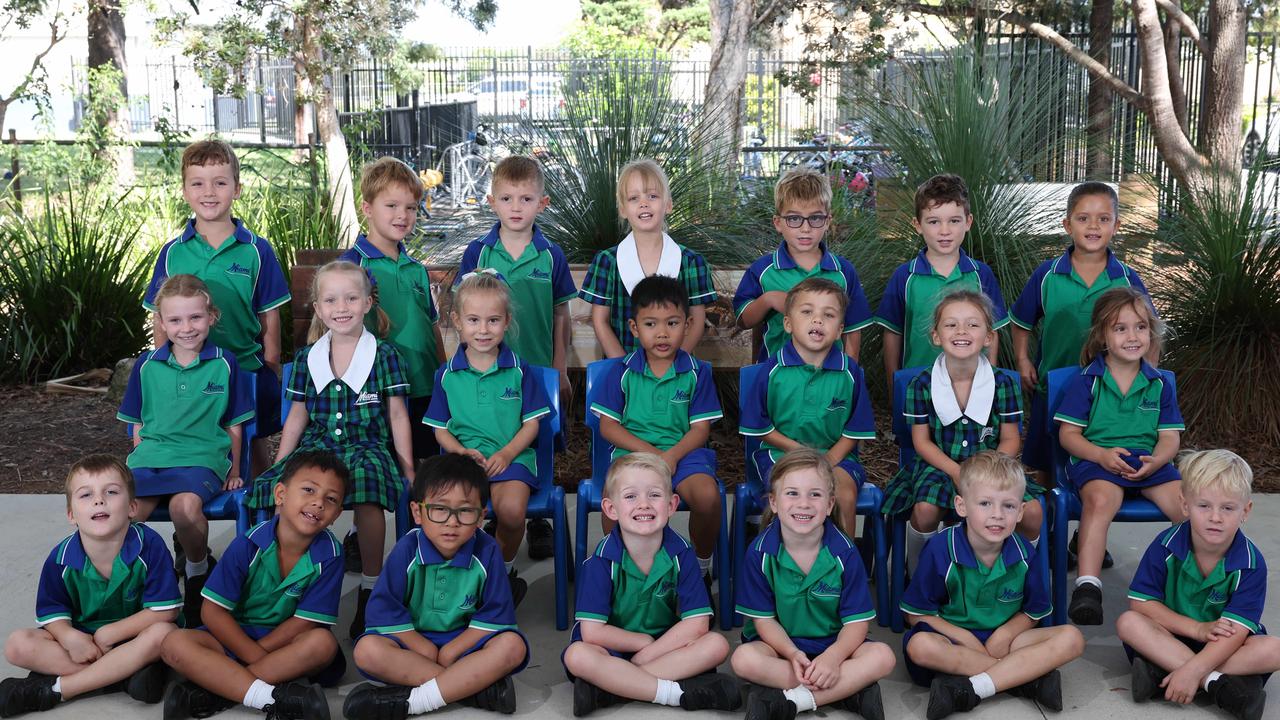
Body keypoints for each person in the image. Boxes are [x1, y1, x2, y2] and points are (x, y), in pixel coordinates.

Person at [244, 260, 415, 640]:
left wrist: (408, 468)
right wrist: (282, 462)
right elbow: (297, 417)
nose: (342, 307)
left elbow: (398, 415)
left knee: (369, 491)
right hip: (317, 448)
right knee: (284, 491)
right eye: (332, 300)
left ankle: (371, 587)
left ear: (368, 303)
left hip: (367, 446)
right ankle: (287, 580)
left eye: (352, 298)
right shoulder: (307, 360)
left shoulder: (384, 356)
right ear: (318, 309)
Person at [159, 451, 350, 720]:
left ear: (337, 514)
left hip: (285, 645)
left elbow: (305, 622)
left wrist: (256, 656)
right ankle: (271, 698)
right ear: (280, 495)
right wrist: (251, 653)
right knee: (174, 643)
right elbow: (212, 612)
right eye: (308, 490)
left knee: (322, 643)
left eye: (330, 499)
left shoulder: (330, 554)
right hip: (231, 636)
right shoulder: (248, 544)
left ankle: (216, 690)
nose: (318, 503)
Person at [454, 154, 577, 562]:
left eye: (526, 199)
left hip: (537, 369)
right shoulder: (478, 252)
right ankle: (497, 506)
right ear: (492, 202)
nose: (516, 208)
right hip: (488, 368)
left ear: (541, 204)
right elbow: (464, 311)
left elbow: (562, 314)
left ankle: (536, 518)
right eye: (507, 199)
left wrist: (559, 368)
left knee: (540, 440)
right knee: (494, 432)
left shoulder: (550, 254)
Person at [144, 139, 290, 479]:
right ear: (184, 191)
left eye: (220, 183)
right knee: (191, 439)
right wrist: (165, 363)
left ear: (236, 189)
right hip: (191, 371)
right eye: (198, 183)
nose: (209, 192)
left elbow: (269, 314)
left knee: (253, 444)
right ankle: (189, 510)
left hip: (244, 368)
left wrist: (271, 365)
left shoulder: (256, 251)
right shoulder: (172, 252)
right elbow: (159, 314)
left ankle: (261, 514)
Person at [343, 453, 530, 719]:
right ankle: (473, 689)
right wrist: (425, 649)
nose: (451, 522)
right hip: (412, 645)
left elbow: (495, 615)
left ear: (481, 517)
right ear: (417, 512)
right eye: (440, 509)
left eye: (465, 511)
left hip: (465, 645)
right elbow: (382, 612)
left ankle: (415, 701)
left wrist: (452, 650)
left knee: (513, 646)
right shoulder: (406, 550)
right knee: (366, 651)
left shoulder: (487, 551)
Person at [901, 451, 1084, 720]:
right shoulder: (941, 549)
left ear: (1021, 511)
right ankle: (1023, 679)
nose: (997, 515)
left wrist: (1006, 634)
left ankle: (974, 687)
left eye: (1008, 506)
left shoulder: (1023, 554)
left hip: (1006, 641)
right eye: (985, 503)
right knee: (920, 646)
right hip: (955, 642)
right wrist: (965, 637)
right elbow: (915, 613)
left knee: (1072, 638)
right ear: (961, 506)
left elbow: (1034, 612)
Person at [117, 274, 254, 625]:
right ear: (162, 322)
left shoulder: (225, 364)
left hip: (202, 456)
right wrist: (141, 462)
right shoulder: (146, 366)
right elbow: (137, 423)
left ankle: (196, 572)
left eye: (195, 318)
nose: (186, 328)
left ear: (211, 317)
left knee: (184, 507)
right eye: (175, 320)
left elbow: (234, 424)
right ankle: (136, 585)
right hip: (152, 458)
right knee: (127, 514)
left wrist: (236, 470)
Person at [562, 453, 740, 717]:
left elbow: (697, 623)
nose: (643, 504)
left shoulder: (681, 553)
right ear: (611, 509)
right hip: (613, 646)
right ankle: (674, 694)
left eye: (654, 495)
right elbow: (593, 633)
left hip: (663, 646)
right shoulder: (600, 560)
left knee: (717, 645)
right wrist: (641, 642)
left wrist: (649, 652)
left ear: (671, 505)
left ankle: (611, 687)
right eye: (631, 496)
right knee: (577, 655)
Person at [0, 455, 179, 716]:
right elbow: (52, 614)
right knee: (17, 645)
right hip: (85, 644)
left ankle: (59, 689)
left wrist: (112, 633)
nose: (99, 500)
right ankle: (123, 676)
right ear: (71, 515)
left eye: (111, 492)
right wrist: (69, 636)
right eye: (86, 495)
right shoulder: (61, 559)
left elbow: (166, 610)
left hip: (134, 637)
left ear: (132, 507)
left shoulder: (149, 546)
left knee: (165, 634)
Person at [339, 157, 447, 577]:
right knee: (375, 473)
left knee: (422, 468)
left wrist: (443, 375)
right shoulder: (354, 268)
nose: (402, 216)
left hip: (422, 387)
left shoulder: (417, 270)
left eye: (410, 208)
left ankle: (421, 545)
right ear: (367, 208)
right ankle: (361, 539)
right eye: (391, 206)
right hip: (376, 394)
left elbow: (432, 327)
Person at [881, 289, 1041, 572]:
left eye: (973, 324)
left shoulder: (1003, 383)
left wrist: (985, 473)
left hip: (994, 466)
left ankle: (1017, 574)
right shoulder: (921, 384)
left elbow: (1010, 439)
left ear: (989, 337)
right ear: (935, 335)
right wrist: (959, 473)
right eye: (951, 324)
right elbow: (921, 442)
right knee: (926, 510)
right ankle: (920, 571)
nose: (961, 331)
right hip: (939, 466)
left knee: (1033, 513)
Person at [731, 449, 895, 720]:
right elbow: (764, 622)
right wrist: (792, 653)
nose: (803, 503)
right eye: (792, 493)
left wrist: (833, 658)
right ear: (773, 502)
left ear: (830, 505)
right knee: (743, 660)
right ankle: (846, 690)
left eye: (815, 494)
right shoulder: (759, 553)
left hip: (835, 644)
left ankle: (793, 700)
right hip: (780, 648)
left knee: (883, 656)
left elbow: (856, 624)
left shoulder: (845, 552)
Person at [1117, 449, 1280, 720]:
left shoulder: (1250, 563)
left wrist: (1191, 671)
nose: (1215, 517)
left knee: (1274, 650)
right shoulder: (1165, 545)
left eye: (1228, 508)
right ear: (1185, 505)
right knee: (1128, 623)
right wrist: (1197, 629)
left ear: (1245, 511)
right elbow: (1141, 603)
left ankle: (1161, 672)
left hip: (1225, 646)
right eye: (1204, 506)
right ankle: (1219, 685)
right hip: (1170, 635)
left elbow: (1237, 631)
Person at [1055, 287, 1185, 625]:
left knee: (1188, 507)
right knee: (1101, 501)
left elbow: (1170, 437)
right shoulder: (1088, 382)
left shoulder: (1158, 384)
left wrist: (1158, 460)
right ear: (1102, 335)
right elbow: (1068, 436)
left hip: (1149, 462)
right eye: (1120, 328)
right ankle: (1088, 587)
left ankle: (1186, 581)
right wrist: (1100, 455)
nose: (1133, 336)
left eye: (1141, 327)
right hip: (1098, 460)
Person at [1011, 181, 1155, 483]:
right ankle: (1047, 528)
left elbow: (1149, 332)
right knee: (1046, 467)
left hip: (1108, 394)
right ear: (1067, 224)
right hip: (1053, 386)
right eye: (1083, 218)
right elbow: (1021, 321)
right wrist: (1023, 360)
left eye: (1103, 219)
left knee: (1099, 465)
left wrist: (1148, 374)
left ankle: (1088, 527)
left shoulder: (1127, 279)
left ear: (1116, 225)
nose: (1093, 226)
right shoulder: (1047, 275)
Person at [424, 271, 553, 606]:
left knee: (510, 512)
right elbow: (441, 430)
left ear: (507, 321)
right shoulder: (447, 375)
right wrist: (462, 453)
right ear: (457, 320)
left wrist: (508, 454)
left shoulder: (519, 370)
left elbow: (532, 425)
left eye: (493, 320)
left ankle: (501, 574)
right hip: (464, 462)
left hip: (513, 459)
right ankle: (461, 578)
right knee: (454, 514)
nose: (483, 329)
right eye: (474, 320)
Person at [590, 275, 723, 581]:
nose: (662, 333)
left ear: (687, 325)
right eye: (651, 324)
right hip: (634, 453)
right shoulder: (620, 371)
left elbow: (700, 430)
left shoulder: (697, 372)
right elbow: (609, 428)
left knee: (707, 497)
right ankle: (621, 573)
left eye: (672, 323)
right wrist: (653, 456)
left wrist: (671, 456)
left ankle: (698, 569)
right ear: (635, 328)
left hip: (684, 454)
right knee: (618, 500)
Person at [740, 278, 876, 536]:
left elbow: (854, 432)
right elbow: (760, 429)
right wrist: (803, 453)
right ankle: (780, 563)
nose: (817, 320)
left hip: (835, 457)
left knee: (844, 494)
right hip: (780, 454)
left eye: (828, 314)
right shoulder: (770, 371)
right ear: (788, 324)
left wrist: (829, 460)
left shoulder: (851, 373)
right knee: (791, 490)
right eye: (807, 312)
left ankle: (839, 566)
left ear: (839, 330)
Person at [874, 174, 1007, 391]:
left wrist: (989, 379)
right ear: (917, 224)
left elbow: (992, 332)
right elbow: (892, 334)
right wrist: (894, 384)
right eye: (934, 221)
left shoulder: (981, 274)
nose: (944, 231)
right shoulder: (904, 276)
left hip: (972, 386)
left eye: (954, 221)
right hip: (917, 386)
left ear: (968, 222)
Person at [579, 159, 716, 357]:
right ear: (623, 209)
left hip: (676, 375)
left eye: (652, 196)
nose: (644, 203)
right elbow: (600, 321)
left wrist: (674, 366)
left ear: (668, 205)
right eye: (634, 198)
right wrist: (624, 368)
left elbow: (696, 320)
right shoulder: (607, 261)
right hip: (623, 374)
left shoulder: (691, 262)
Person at [734, 166, 872, 362]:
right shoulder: (763, 270)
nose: (805, 228)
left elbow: (852, 330)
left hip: (829, 378)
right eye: (794, 218)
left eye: (815, 218)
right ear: (778, 223)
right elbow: (743, 321)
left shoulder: (843, 271)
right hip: (776, 380)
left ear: (827, 221)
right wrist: (769, 299)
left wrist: (849, 377)